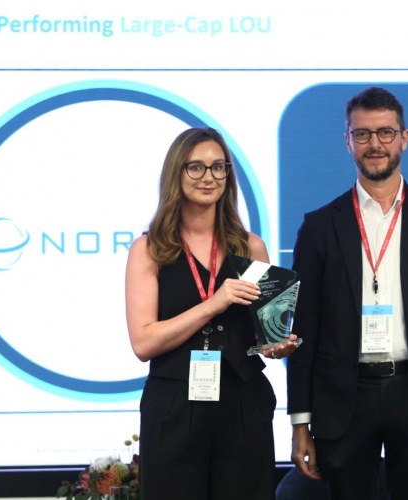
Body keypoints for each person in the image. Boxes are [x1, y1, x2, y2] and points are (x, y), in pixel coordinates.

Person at [287, 87, 408, 500]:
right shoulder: (319, 227)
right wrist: (300, 420)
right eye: (362, 134)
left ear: (404, 139)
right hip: (343, 397)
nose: (374, 144)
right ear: (347, 141)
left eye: (385, 133)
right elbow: (303, 328)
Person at [125, 127, 298, 499]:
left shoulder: (251, 247)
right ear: (176, 172)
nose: (209, 177)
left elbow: (266, 337)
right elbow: (143, 342)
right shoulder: (149, 249)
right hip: (173, 404)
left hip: (243, 402)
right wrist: (214, 304)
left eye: (219, 167)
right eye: (197, 167)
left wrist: (277, 345)